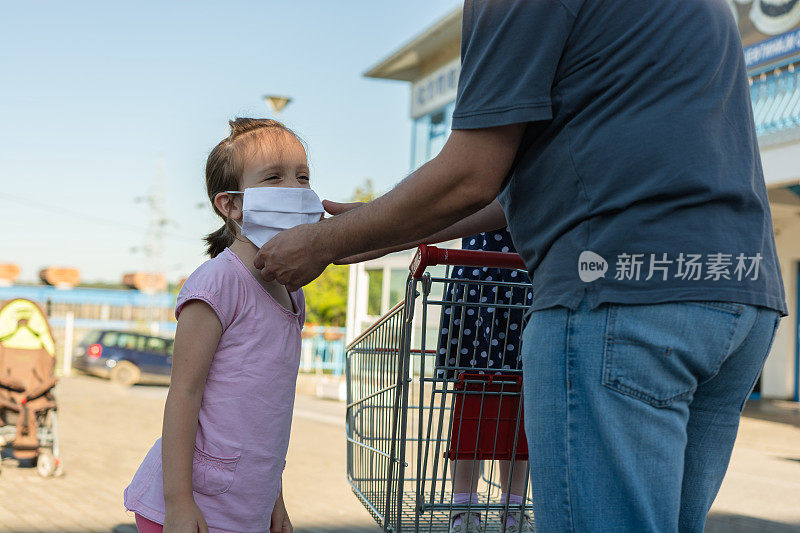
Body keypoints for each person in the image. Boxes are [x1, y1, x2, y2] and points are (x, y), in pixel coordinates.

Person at [255, 1, 788, 531]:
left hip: (618, 294)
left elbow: (471, 172)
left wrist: (323, 242)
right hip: (741, 293)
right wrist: (379, 227)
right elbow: (520, 184)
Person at [123, 118, 323, 533]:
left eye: (304, 177)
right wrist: (177, 501)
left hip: (247, 510)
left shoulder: (292, 290)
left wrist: (275, 500)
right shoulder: (218, 282)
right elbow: (183, 393)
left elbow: (266, 417)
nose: (297, 189)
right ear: (230, 205)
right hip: (188, 513)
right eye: (274, 177)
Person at [437, 229, 533, 533]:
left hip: (520, 274)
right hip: (481, 277)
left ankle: (512, 506)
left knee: (519, 394)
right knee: (472, 390)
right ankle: (466, 505)